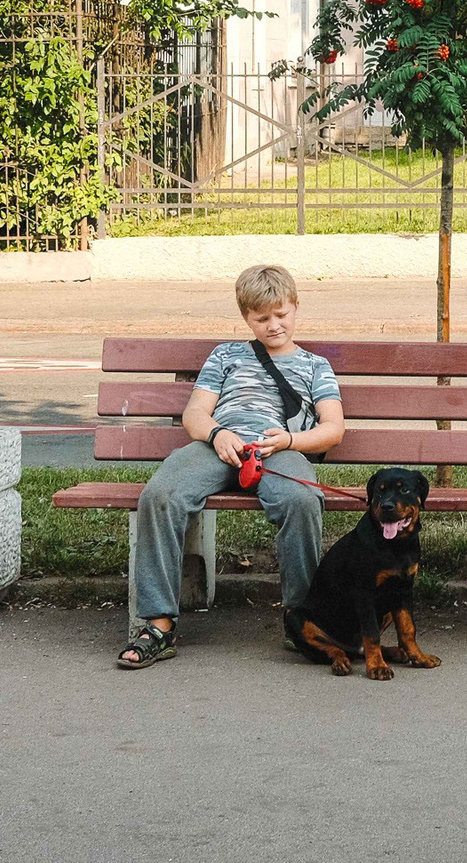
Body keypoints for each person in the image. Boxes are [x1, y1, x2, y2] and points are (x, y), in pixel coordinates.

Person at [116, 264, 345, 670]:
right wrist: (218, 433)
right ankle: (158, 624)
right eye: (262, 319)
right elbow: (195, 414)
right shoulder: (226, 355)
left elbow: (333, 430)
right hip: (218, 446)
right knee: (160, 496)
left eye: (281, 315)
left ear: (296, 307)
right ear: (246, 318)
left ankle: (303, 620)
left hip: (279, 449)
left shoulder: (315, 365)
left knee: (302, 500)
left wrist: (289, 440)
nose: (274, 325)